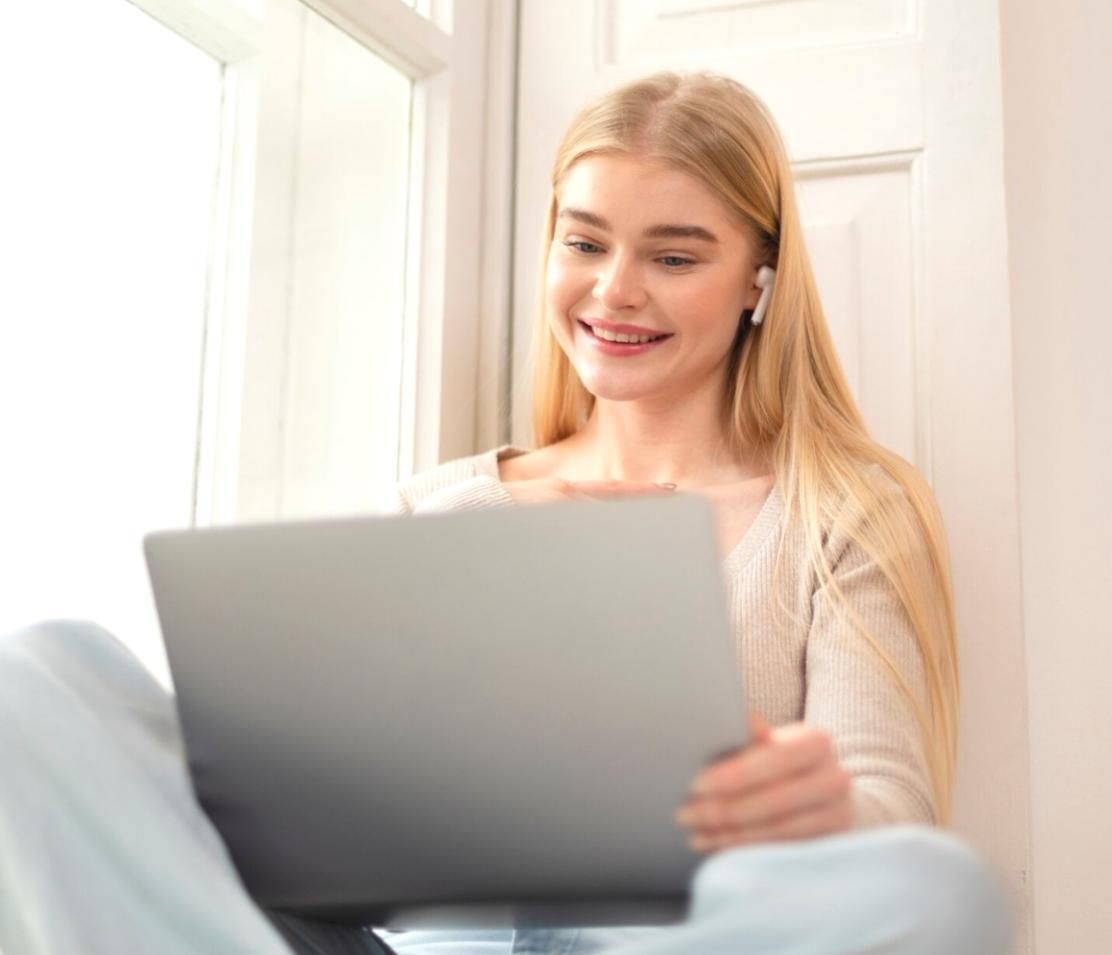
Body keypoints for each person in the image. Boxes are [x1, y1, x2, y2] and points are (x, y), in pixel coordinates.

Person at [0, 71, 1012, 955]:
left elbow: (893, 813)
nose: (613, 292)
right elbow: (328, 824)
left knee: (937, 888)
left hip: (687, 939)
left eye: (673, 255)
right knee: (39, 669)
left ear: (759, 277)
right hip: (398, 943)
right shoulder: (437, 506)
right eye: (585, 241)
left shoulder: (843, 509)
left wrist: (812, 805)